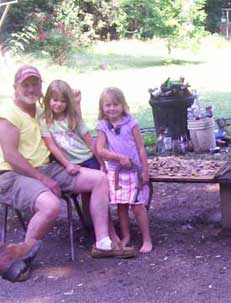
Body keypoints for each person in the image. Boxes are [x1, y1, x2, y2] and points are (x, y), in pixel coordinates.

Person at [0, 66, 137, 281]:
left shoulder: (41, 110)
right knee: (51, 205)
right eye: (25, 85)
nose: (31, 89)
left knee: (99, 178)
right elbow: (11, 156)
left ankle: (103, 243)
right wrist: (43, 179)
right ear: (15, 88)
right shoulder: (9, 114)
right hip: (14, 174)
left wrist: (76, 102)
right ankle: (19, 256)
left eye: (35, 84)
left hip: (47, 168)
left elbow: (71, 118)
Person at [96, 87, 153, 253]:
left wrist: (145, 170)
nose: (112, 108)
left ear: (123, 105)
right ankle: (126, 236)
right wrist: (118, 157)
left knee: (137, 205)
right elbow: (100, 149)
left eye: (115, 104)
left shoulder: (131, 123)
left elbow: (141, 148)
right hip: (116, 172)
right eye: (108, 105)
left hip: (134, 171)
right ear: (102, 107)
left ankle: (146, 239)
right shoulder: (103, 126)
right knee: (121, 206)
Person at [39, 79, 102, 175]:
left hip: (88, 158)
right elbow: (52, 147)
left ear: (68, 102)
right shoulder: (45, 121)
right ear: (48, 99)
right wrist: (67, 164)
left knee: (100, 179)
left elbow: (90, 142)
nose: (59, 104)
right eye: (55, 100)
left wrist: (102, 164)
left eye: (63, 101)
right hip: (70, 163)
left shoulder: (73, 117)